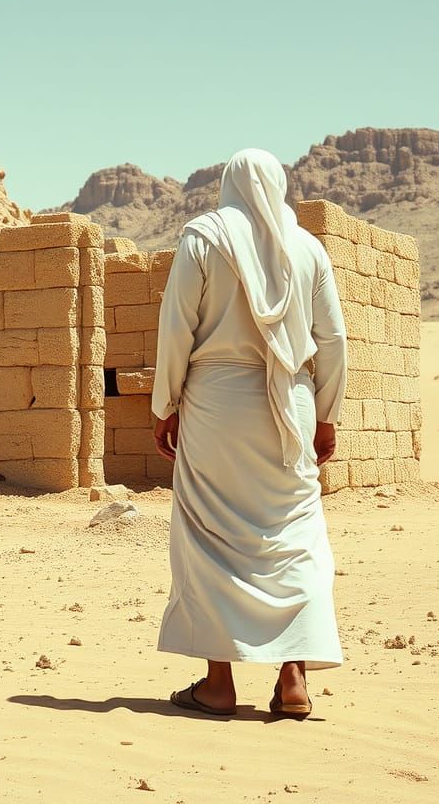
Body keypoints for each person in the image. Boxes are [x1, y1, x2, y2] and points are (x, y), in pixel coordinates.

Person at [151, 148, 347, 720]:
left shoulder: (204, 238)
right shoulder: (308, 248)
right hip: (291, 403)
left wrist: (166, 404)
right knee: (295, 535)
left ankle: (217, 684)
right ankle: (293, 680)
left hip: (216, 406)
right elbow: (332, 340)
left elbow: (176, 326)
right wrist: (327, 414)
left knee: (210, 534)